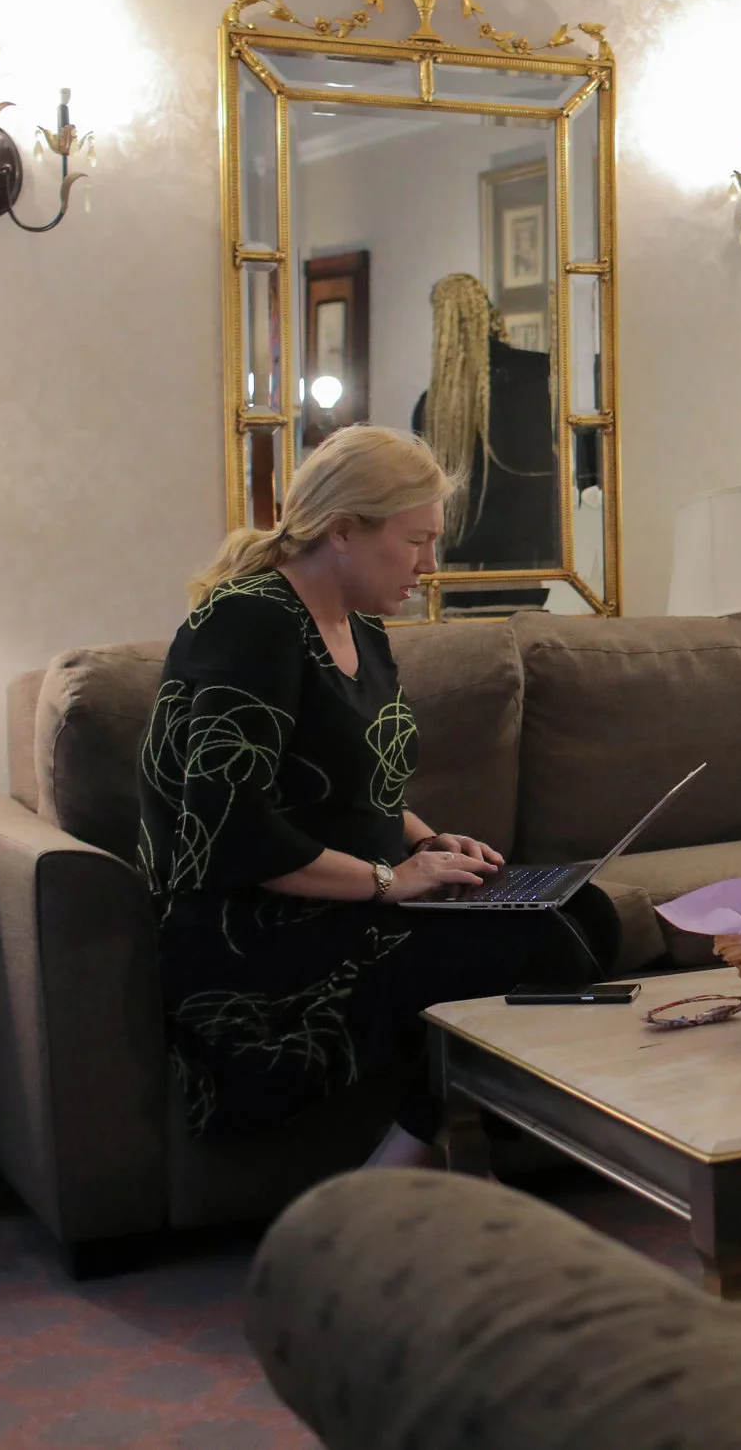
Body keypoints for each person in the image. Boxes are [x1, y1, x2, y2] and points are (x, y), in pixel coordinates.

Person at [140, 425, 617, 1168]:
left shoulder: (360, 624)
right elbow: (229, 827)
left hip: (346, 895)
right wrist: (391, 882)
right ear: (342, 532)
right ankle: (402, 1164)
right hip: (260, 928)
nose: (430, 565)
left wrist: (426, 841)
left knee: (589, 909)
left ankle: (455, 1140)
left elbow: (351, 788)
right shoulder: (250, 621)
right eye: (416, 541)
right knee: (542, 942)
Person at [412, 272, 560, 581]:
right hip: (537, 553)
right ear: (489, 311)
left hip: (463, 564)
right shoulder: (538, 373)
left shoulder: (431, 407)